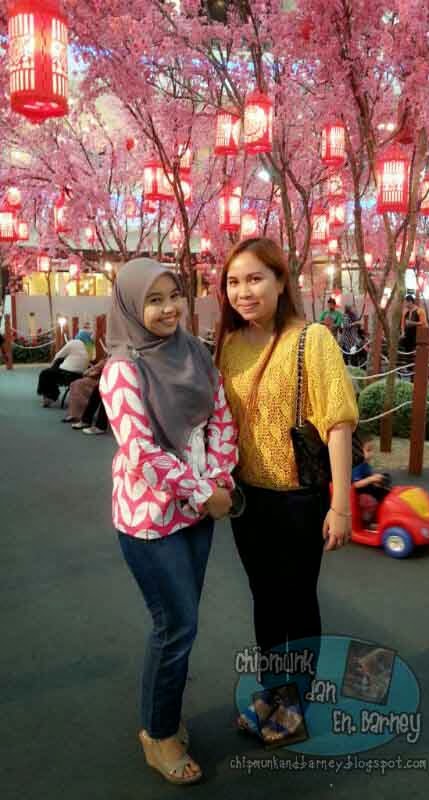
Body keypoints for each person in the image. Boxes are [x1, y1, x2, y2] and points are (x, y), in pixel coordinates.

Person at [99, 258, 238, 784]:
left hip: (199, 514)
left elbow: (221, 415)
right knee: (176, 626)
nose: (167, 309)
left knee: (181, 624)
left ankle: (164, 715)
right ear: (132, 306)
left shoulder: (195, 352)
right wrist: (205, 492)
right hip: (151, 520)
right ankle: (157, 734)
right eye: (153, 300)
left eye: (173, 296)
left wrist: (220, 478)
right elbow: (140, 452)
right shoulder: (122, 370)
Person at [216, 237, 359, 746]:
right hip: (247, 499)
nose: (244, 291)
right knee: (264, 599)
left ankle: (294, 705)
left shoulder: (310, 339)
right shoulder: (230, 344)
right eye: (234, 282)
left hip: (298, 498)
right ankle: (272, 691)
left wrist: (341, 506)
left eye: (255, 278)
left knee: (296, 603)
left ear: (280, 282)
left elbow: (337, 423)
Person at [36, 330, 94, 406]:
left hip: (67, 374)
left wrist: (51, 366)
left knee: (45, 373)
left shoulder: (74, 342)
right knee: (54, 370)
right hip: (79, 375)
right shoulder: (89, 346)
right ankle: (53, 395)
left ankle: (49, 398)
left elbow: (58, 355)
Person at [351, 430, 391, 526]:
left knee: (387, 493)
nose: (371, 454)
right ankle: (366, 522)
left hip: (367, 489)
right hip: (358, 494)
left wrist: (376, 480)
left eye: (372, 450)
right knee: (370, 502)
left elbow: (368, 477)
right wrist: (371, 479)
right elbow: (355, 485)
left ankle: (382, 515)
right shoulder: (357, 466)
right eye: (368, 450)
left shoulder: (365, 464)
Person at [62, 358, 107, 423]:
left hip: (102, 380)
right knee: (76, 384)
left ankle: (79, 414)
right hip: (96, 378)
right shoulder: (106, 358)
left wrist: (90, 372)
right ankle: (75, 414)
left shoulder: (110, 359)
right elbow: (93, 369)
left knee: (78, 384)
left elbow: (95, 370)